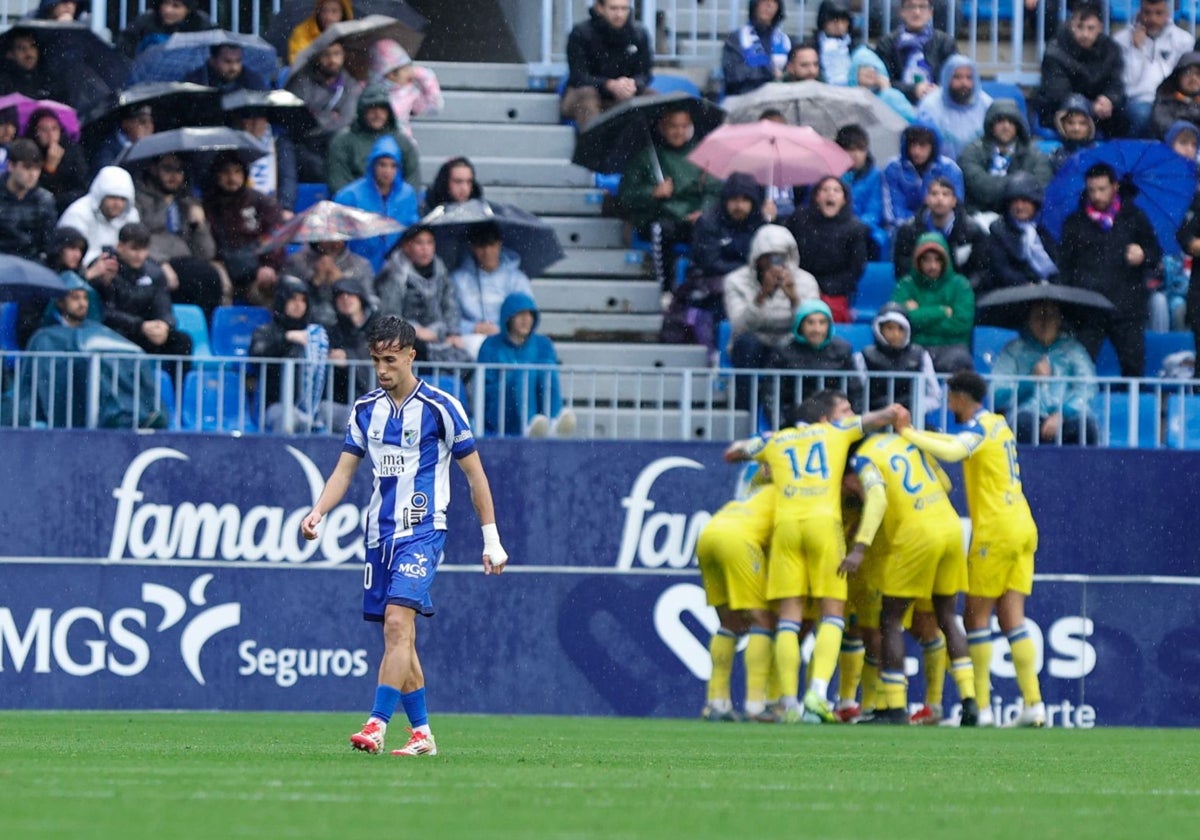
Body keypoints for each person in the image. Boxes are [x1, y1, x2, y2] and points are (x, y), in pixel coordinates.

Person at [300, 315, 508, 757]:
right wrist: (319, 511)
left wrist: (491, 538)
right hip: (379, 537)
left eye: (390, 360)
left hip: (424, 531)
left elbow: (475, 475)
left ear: (412, 355)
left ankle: (376, 725)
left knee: (398, 624)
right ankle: (422, 735)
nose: (381, 369)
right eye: (376, 359)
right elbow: (344, 469)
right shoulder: (365, 410)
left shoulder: (441, 407)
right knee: (400, 638)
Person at [722, 389, 901, 723]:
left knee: (788, 619)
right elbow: (881, 417)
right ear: (824, 417)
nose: (848, 416)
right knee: (832, 613)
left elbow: (731, 453)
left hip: (787, 528)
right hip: (823, 526)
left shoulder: (778, 440)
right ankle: (817, 695)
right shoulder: (836, 431)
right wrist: (894, 412)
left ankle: (787, 703)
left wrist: (764, 445)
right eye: (843, 411)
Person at [895, 370, 1045, 727]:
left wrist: (908, 433)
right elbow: (956, 440)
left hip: (996, 530)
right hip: (1023, 524)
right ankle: (1034, 704)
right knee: (1013, 618)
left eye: (950, 396)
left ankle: (980, 708)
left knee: (976, 619)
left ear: (961, 397)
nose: (948, 403)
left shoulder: (977, 428)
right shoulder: (998, 425)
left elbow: (952, 449)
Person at [839, 431, 978, 725]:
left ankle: (895, 707)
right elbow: (946, 483)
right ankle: (969, 700)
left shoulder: (864, 459)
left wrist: (860, 548)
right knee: (946, 617)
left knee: (889, 620)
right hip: (951, 527)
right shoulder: (908, 443)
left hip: (916, 534)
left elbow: (876, 498)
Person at [1057, 162, 1161, 377]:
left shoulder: (1135, 217)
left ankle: (1132, 410)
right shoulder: (1074, 223)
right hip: (1087, 308)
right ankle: (1079, 410)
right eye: (1092, 189)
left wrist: (1143, 255)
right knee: (1080, 370)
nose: (1096, 195)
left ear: (1115, 186)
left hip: (1127, 308)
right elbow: (1064, 268)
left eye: (1102, 189)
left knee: (1133, 367)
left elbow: (1155, 252)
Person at [616, 105, 722, 291]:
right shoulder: (645, 157)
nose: (679, 132)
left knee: (709, 229)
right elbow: (626, 196)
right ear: (663, 127)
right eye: (673, 126)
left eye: (684, 126)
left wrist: (703, 211)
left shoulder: (702, 155)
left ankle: (701, 287)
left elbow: (714, 190)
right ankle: (664, 288)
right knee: (662, 229)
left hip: (693, 218)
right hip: (660, 218)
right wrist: (652, 192)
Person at [695, 480, 777, 722]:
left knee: (731, 623)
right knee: (762, 620)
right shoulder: (789, 492)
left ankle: (716, 702)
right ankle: (756, 704)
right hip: (739, 540)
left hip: (708, 536)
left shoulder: (756, 490)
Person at [992, 300, 1100, 446]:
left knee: (1085, 426)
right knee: (1023, 424)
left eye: (1050, 316)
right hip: (1026, 414)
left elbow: (1088, 388)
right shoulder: (1014, 350)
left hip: (1067, 415)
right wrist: (1030, 381)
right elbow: (998, 394)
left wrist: (1063, 413)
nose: (1044, 322)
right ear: (1029, 320)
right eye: (1038, 316)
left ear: (1059, 320)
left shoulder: (1074, 350)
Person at [133, 153, 226, 319]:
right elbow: (137, 238)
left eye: (179, 170)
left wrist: (200, 225)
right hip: (154, 260)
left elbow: (207, 252)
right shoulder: (138, 198)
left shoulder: (186, 201)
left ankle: (206, 332)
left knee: (211, 276)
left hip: (186, 260)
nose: (174, 176)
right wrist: (160, 262)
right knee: (199, 277)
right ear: (153, 169)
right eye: (167, 169)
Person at [477, 291, 576, 438]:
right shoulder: (490, 345)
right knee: (525, 373)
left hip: (538, 406)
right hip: (502, 410)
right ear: (508, 318)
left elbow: (549, 380)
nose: (526, 319)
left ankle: (554, 422)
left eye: (530, 314)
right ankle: (529, 426)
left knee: (546, 367)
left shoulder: (544, 344)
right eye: (520, 314)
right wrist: (513, 380)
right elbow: (486, 387)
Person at [723, 223, 819, 372]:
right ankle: (746, 396)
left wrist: (794, 299)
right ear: (757, 257)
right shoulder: (736, 281)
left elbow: (813, 326)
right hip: (754, 345)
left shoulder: (806, 281)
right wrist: (762, 296)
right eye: (768, 256)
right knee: (747, 343)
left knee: (798, 347)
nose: (775, 262)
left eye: (781, 256)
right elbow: (740, 327)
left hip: (790, 344)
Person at [95, 222, 193, 361]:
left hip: (146, 332)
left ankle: (178, 383)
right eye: (134, 249)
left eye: (144, 249)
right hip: (118, 332)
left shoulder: (155, 273)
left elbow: (165, 308)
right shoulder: (104, 268)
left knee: (182, 341)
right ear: (120, 247)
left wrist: (164, 325)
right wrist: (140, 325)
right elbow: (106, 312)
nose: (140, 255)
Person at [374, 223, 470, 363]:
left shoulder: (441, 272)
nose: (425, 248)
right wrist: (416, 331)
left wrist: (452, 333)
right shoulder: (394, 274)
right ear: (407, 246)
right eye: (419, 243)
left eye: (429, 242)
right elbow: (389, 315)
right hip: (405, 340)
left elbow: (450, 305)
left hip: (438, 336)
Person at [248, 275, 331, 433]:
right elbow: (257, 357)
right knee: (288, 417)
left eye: (303, 300)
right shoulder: (265, 332)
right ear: (282, 301)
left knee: (352, 416)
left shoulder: (316, 336)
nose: (298, 305)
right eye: (293, 299)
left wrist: (340, 358)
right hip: (274, 406)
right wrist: (285, 339)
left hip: (313, 407)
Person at [202, 151, 285, 307]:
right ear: (216, 175)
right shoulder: (208, 205)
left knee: (273, 292)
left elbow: (276, 235)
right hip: (222, 269)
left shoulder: (261, 201)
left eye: (237, 172)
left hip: (256, 270)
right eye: (226, 172)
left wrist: (269, 265)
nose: (232, 178)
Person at [1035, 1, 1127, 139]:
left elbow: (1116, 84)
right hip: (1060, 111)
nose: (1085, 34)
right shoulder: (1055, 50)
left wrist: (1108, 99)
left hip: (1098, 113)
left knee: (1126, 116)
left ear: (1100, 28)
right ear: (1071, 24)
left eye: (1090, 28)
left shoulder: (1111, 50)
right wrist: (1089, 107)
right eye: (1080, 27)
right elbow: (1057, 94)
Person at [786, 175, 871, 322]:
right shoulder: (799, 220)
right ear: (817, 197)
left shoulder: (856, 229)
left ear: (844, 199)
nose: (830, 194)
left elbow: (855, 270)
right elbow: (787, 252)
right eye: (825, 189)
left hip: (835, 292)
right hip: (800, 285)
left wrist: (826, 288)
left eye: (836, 190)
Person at [560, 0, 653, 130]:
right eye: (614, 9)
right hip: (581, 96)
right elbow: (579, 77)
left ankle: (653, 149)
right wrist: (609, 85)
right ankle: (594, 148)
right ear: (599, 8)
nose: (619, 14)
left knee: (655, 100)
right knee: (587, 96)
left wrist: (632, 84)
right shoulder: (580, 33)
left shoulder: (639, 34)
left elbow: (645, 74)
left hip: (622, 96)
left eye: (623, 9)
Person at [332, 135, 419, 273]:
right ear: (372, 165)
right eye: (382, 164)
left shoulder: (407, 194)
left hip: (396, 268)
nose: (387, 171)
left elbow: (412, 229)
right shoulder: (349, 195)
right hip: (356, 268)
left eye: (393, 165)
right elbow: (337, 236)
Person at [891, 231, 975, 372]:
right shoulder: (905, 285)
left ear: (945, 261)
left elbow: (962, 324)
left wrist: (918, 314)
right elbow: (898, 322)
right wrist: (940, 311)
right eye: (927, 260)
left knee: (960, 363)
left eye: (938, 260)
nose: (933, 266)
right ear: (918, 261)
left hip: (952, 347)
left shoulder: (961, 285)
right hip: (914, 347)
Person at [450, 221, 535, 358]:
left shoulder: (517, 279)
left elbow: (527, 316)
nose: (487, 251)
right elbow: (449, 317)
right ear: (472, 247)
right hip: (471, 340)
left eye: (491, 245)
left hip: (509, 339)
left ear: (499, 244)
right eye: (481, 246)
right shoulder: (458, 279)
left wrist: (503, 329)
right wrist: (473, 327)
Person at [285, 36, 363, 183]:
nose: (332, 60)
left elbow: (347, 120)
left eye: (337, 54)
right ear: (317, 57)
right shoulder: (302, 81)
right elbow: (299, 120)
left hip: (337, 143)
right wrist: (330, 116)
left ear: (343, 55)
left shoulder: (350, 84)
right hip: (306, 144)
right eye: (326, 54)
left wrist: (318, 115)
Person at [1112, 0, 1195, 138]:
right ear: (1139, 11)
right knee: (1143, 115)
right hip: (1137, 100)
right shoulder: (1121, 40)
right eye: (1147, 13)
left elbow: (1182, 80)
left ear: (1168, 13)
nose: (1152, 19)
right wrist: (1136, 50)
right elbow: (1128, 84)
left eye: (1159, 13)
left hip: (1173, 100)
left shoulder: (1184, 40)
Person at [959, 98, 1053, 217]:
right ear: (991, 124)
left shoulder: (1036, 155)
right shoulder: (971, 151)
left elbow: (1039, 188)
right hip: (977, 217)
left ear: (1018, 126)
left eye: (1011, 122)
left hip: (1021, 218)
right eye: (1000, 121)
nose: (1006, 126)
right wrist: (1019, 186)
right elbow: (983, 189)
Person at [892, 175, 988, 288]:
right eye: (934, 194)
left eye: (945, 194)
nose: (940, 199)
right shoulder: (908, 231)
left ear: (954, 201)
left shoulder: (973, 232)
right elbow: (903, 269)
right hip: (921, 291)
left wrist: (963, 289)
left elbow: (981, 271)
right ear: (927, 199)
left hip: (959, 292)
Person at [770, 298, 864, 413]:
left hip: (835, 418)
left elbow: (855, 391)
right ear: (800, 325)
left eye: (822, 322)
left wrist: (852, 422)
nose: (817, 329)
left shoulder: (842, 349)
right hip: (796, 417)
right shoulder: (783, 351)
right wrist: (783, 423)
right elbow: (771, 394)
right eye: (810, 322)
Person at [326, 81, 421, 195]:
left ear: (389, 112)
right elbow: (339, 183)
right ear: (362, 111)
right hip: (353, 208)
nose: (377, 114)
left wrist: (395, 203)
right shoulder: (343, 141)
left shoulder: (402, 142)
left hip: (394, 209)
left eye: (382, 109)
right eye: (372, 108)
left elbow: (412, 181)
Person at [854, 302, 940, 415]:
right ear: (879, 329)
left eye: (901, 329)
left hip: (911, 422)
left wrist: (914, 409)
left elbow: (934, 395)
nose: (896, 334)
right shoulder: (863, 357)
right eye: (890, 328)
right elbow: (857, 395)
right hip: (875, 421)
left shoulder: (920, 355)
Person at [982, 172, 1059, 293]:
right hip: (1015, 294)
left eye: (1024, 201)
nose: (1019, 207)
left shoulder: (1043, 229)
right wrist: (1025, 284)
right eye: (1015, 201)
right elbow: (1001, 269)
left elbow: (1057, 261)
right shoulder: (999, 230)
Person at [871, 0, 957, 106]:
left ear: (931, 12)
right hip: (897, 105)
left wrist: (939, 90)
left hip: (938, 104)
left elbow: (956, 77)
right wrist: (912, 90)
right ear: (902, 12)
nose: (917, 12)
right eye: (911, 7)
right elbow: (883, 80)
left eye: (922, 7)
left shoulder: (945, 42)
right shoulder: (887, 43)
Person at [882, 124, 964, 231]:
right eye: (912, 144)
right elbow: (893, 211)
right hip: (906, 229)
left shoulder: (950, 169)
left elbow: (955, 206)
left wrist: (934, 228)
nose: (916, 151)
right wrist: (918, 226)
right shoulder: (893, 168)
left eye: (922, 145)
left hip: (943, 227)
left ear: (933, 146)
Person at [283, 238, 374, 330]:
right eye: (327, 239)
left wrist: (341, 282)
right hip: (306, 326)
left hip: (348, 329)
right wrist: (314, 282)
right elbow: (286, 300)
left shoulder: (360, 265)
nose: (333, 242)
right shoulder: (296, 262)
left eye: (338, 237)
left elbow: (369, 302)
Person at [915, 54, 993, 162]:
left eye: (969, 77)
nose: (964, 83)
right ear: (947, 78)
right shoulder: (929, 106)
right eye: (957, 77)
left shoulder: (986, 104)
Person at [227, 101, 299, 218]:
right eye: (249, 119)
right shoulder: (230, 140)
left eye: (259, 119)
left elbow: (288, 177)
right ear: (240, 121)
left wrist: (286, 206)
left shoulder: (278, 139)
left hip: (271, 207)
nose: (254, 124)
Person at [58, 164, 140, 266]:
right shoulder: (77, 214)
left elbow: (138, 248)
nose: (117, 204)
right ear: (100, 196)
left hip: (121, 270)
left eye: (122, 199)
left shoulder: (131, 215)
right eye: (112, 197)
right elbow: (71, 255)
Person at [325, 276, 377, 425]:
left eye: (350, 294)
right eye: (340, 296)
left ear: (361, 298)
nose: (345, 299)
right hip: (341, 400)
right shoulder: (332, 332)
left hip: (377, 398)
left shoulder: (380, 327)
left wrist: (349, 357)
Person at [368, 39, 443, 142]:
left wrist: (424, 75)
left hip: (402, 146)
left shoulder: (409, 93)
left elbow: (434, 107)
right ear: (391, 73)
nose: (410, 72)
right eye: (406, 69)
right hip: (375, 145)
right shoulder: (370, 92)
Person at [23, 107, 88, 216]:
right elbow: (32, 189)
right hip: (37, 210)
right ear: (35, 132)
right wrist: (49, 168)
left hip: (67, 207)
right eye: (44, 130)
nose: (50, 134)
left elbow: (81, 185)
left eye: (54, 129)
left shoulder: (71, 150)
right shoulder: (28, 151)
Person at [0, 138, 56, 261]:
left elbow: (47, 245)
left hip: (30, 262)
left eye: (37, 169)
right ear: (11, 166)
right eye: (27, 168)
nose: (32, 174)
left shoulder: (44, 200)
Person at [837, 124, 888, 257]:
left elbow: (875, 211)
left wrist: (854, 227)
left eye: (861, 149)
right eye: (850, 149)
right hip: (833, 228)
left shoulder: (875, 175)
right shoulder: (829, 175)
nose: (856, 155)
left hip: (863, 230)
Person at [721, 0, 791, 97]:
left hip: (779, 97)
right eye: (764, 0)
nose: (769, 5)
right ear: (754, 4)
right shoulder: (736, 38)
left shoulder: (785, 40)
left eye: (774, 1)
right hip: (744, 97)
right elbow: (733, 74)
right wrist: (768, 72)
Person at [117, 0, 214, 59]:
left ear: (188, 9)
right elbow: (124, 49)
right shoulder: (145, 22)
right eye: (166, 3)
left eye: (176, 6)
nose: (168, 10)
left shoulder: (201, 24)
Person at [0, 28, 71, 104]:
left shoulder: (50, 80)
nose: (28, 53)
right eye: (21, 48)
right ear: (10, 54)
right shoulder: (3, 82)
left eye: (32, 46)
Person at [846, 46, 916, 122]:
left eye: (875, 67)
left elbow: (909, 118)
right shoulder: (844, 96)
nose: (871, 70)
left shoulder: (887, 96)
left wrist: (887, 92)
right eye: (865, 65)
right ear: (854, 70)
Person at [90, 104, 157, 176]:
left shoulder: (153, 147)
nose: (149, 126)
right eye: (142, 122)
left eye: (151, 121)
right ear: (125, 124)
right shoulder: (107, 153)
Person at [1149, 51, 1200, 140]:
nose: (1194, 78)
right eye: (1188, 72)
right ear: (1178, 75)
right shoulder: (1166, 97)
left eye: (1198, 74)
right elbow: (1162, 125)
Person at [182, 42, 270, 93]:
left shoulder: (252, 81)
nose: (234, 67)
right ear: (213, 60)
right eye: (228, 61)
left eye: (238, 61)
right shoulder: (195, 81)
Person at [287, 0, 352, 65]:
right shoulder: (302, 33)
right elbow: (299, 65)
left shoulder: (352, 33)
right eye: (324, 11)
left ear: (343, 13)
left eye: (334, 11)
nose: (328, 17)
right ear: (318, 11)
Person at [812, 0, 858, 85]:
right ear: (823, 21)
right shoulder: (812, 47)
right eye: (834, 20)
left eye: (843, 21)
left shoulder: (857, 48)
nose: (839, 26)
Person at [1049, 94, 1098, 173]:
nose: (1076, 128)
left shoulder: (1100, 154)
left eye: (1082, 123)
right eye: (1070, 123)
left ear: (1090, 126)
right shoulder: (1054, 156)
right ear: (1061, 125)